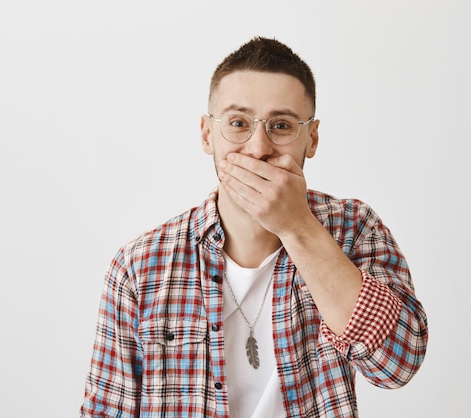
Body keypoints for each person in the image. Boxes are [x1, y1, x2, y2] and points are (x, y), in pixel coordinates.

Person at [80, 36, 428, 418]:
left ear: (311, 138)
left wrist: (298, 226)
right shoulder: (139, 266)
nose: (258, 148)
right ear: (206, 133)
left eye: (280, 125)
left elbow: (398, 366)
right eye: (238, 123)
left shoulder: (355, 229)